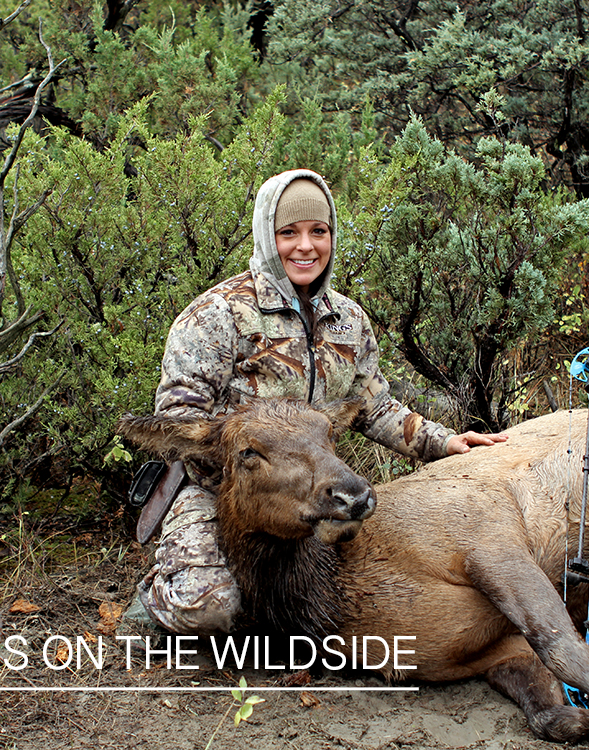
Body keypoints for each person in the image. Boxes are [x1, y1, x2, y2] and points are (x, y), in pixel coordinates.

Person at [135, 168, 506, 634]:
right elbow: (178, 423)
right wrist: (247, 475)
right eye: (288, 233)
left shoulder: (348, 319)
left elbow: (374, 405)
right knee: (209, 608)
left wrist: (444, 443)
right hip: (227, 490)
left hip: (320, 484)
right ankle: (158, 588)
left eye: (319, 231)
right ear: (267, 238)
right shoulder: (215, 315)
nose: (305, 246)